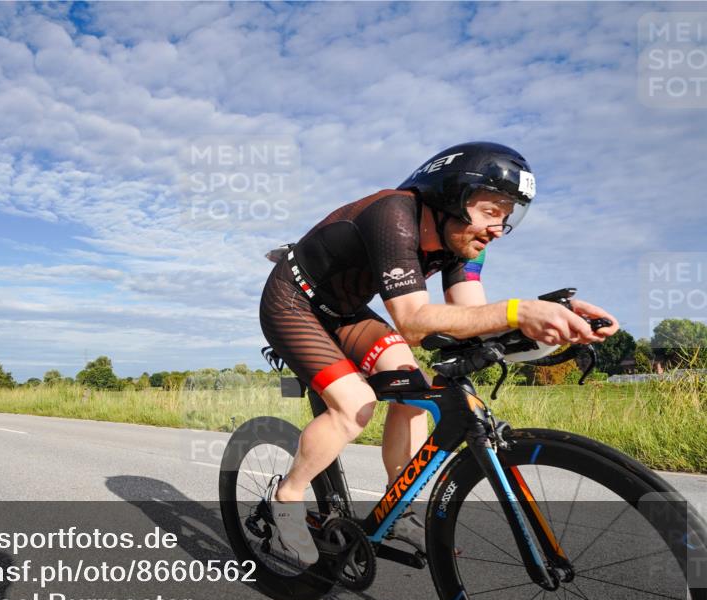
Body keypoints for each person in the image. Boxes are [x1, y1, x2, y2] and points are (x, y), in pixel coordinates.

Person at [257, 142, 619, 565]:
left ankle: (398, 506)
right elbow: (412, 322)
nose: (499, 228)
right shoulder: (393, 215)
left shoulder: (464, 241)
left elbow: (470, 319)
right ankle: (288, 497)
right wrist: (521, 310)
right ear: (451, 196)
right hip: (292, 302)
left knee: (416, 388)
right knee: (355, 404)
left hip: (346, 311)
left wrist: (556, 320)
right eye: (492, 211)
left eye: (509, 216)